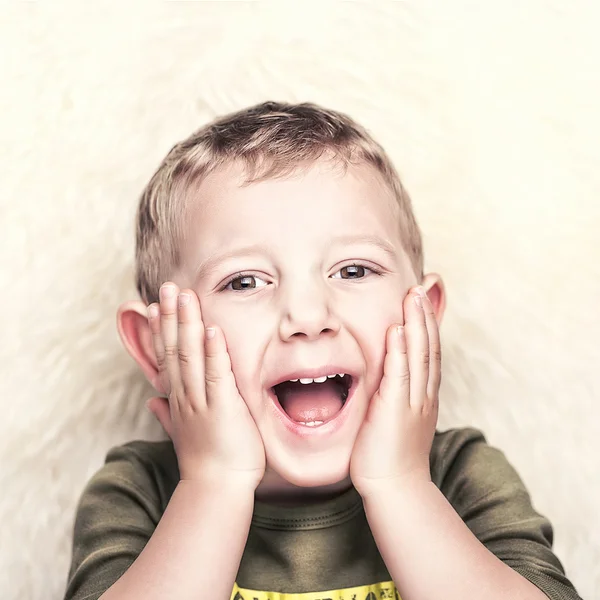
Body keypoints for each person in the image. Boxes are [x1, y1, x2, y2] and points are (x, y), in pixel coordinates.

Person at [63, 102, 582, 600]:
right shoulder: (140, 491)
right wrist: (212, 486)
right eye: (244, 281)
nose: (308, 318)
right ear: (158, 349)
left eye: (354, 270)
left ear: (424, 315)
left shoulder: (459, 474)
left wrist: (400, 484)